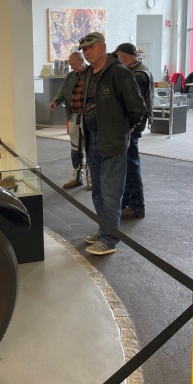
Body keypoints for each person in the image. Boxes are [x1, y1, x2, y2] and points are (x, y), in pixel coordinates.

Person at [78, 32, 145, 256]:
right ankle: (104, 229)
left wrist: (122, 131)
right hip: (92, 139)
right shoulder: (89, 73)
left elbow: (137, 108)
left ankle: (110, 239)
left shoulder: (119, 72)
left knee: (110, 192)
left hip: (112, 142)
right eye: (84, 49)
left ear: (103, 46)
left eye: (91, 47)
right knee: (97, 191)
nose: (87, 52)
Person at [114, 42, 154, 219]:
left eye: (118, 57)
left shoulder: (137, 76)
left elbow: (131, 104)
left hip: (132, 126)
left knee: (131, 165)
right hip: (134, 124)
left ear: (123, 57)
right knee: (128, 164)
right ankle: (127, 202)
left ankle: (137, 205)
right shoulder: (140, 71)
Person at [48, 51, 91, 189]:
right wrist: (55, 101)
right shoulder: (70, 76)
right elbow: (63, 91)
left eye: (73, 64)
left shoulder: (93, 74)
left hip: (89, 118)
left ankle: (92, 179)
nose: (71, 67)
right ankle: (77, 178)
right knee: (75, 149)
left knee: (91, 148)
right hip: (73, 117)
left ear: (81, 61)